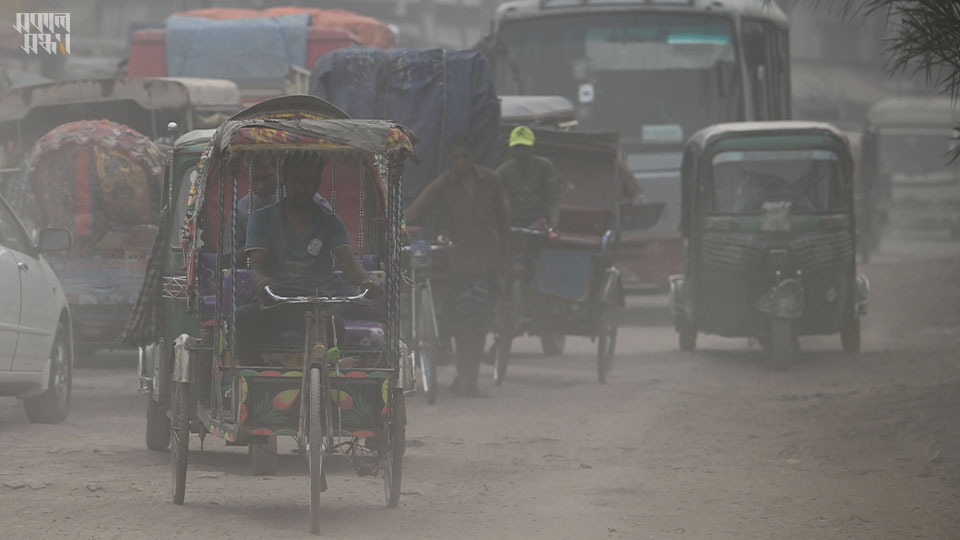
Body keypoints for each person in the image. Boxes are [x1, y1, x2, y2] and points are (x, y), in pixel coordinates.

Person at [234, 152, 379, 366]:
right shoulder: (261, 219)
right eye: (295, 181)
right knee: (241, 320)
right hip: (278, 301)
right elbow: (258, 266)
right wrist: (263, 283)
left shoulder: (330, 222)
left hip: (318, 303)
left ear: (317, 182)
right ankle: (257, 385)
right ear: (284, 180)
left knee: (334, 327)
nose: (301, 188)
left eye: (308, 181)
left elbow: (349, 264)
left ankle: (330, 385)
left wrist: (366, 281)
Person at [405, 133, 511, 397]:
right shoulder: (444, 183)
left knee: (481, 323)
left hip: (488, 261)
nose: (461, 162)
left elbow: (504, 223)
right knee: (464, 322)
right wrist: (399, 224)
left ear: (472, 156)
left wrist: (509, 262)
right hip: (461, 263)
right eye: (456, 157)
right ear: (451, 158)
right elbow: (417, 208)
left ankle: (469, 379)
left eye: (465, 156)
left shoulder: (491, 181)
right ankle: (466, 378)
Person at [225, 154, 331, 265]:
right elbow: (228, 261)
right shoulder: (241, 211)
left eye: (267, 178)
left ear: (281, 173)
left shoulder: (312, 202)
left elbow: (334, 249)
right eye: (254, 179)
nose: (260, 186)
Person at [496, 125, 562, 228]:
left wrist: (553, 223)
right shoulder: (503, 170)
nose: (521, 151)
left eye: (525, 147)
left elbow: (553, 198)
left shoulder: (544, 166)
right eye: (518, 147)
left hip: (540, 219)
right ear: (511, 148)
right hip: (514, 220)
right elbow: (490, 196)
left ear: (533, 147)